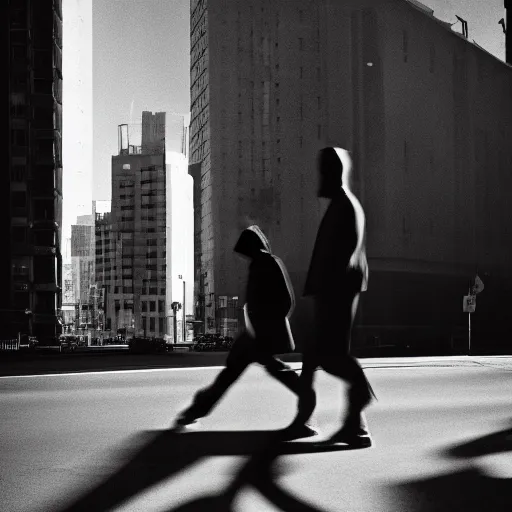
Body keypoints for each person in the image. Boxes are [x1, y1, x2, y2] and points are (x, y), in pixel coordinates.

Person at [283, 147, 376, 447]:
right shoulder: (340, 205)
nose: (319, 178)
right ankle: (316, 421)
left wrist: (327, 296)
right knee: (313, 359)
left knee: (332, 358)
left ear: (334, 173)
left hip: (335, 295)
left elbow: (345, 259)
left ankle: (358, 409)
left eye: (323, 172)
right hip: (330, 293)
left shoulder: (346, 207)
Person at [173, 225, 304, 428]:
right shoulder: (261, 263)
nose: (244, 256)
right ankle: (197, 409)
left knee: (240, 371)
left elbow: (285, 301)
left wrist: (267, 323)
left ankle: (307, 397)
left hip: (261, 333)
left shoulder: (267, 262)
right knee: (253, 369)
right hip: (256, 333)